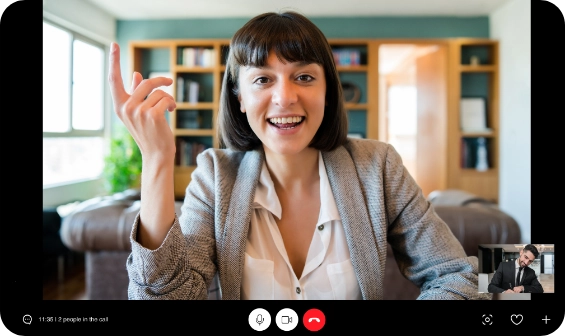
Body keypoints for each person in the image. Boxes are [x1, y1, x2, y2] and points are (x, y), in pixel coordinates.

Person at [108, 10, 490, 300]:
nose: (285, 97)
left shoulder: (379, 166)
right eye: (262, 79)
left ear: (327, 89)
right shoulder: (214, 176)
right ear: (239, 97)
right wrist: (157, 160)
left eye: (304, 77)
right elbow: (163, 296)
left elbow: (456, 273)